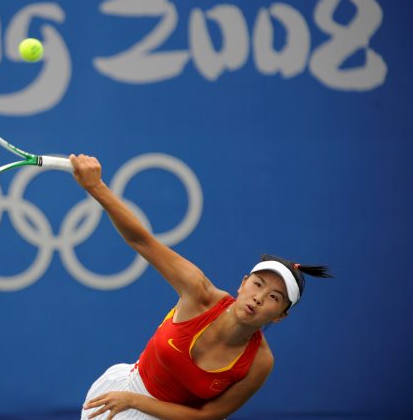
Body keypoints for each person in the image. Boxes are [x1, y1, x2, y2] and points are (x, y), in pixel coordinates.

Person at [69, 154, 332, 420]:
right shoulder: (199, 292)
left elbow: (208, 416)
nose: (259, 298)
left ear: (280, 315)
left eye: (274, 297)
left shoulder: (260, 362)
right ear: (243, 284)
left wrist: (135, 402)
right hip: (117, 400)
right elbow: (142, 241)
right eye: (257, 284)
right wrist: (96, 187)